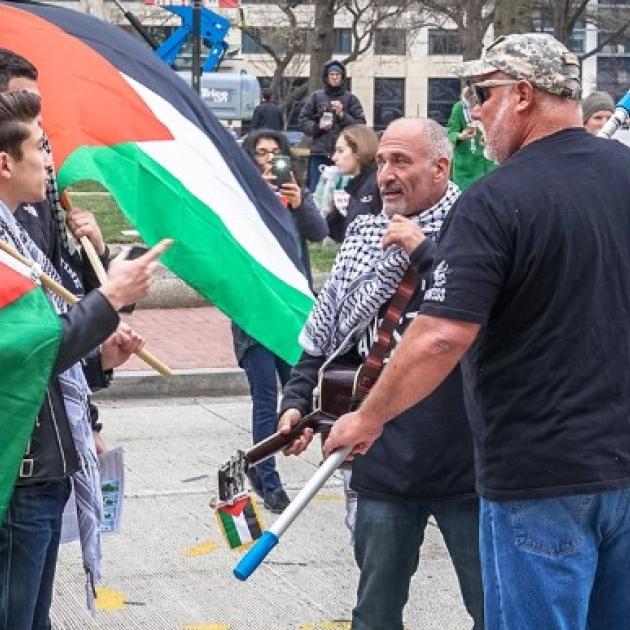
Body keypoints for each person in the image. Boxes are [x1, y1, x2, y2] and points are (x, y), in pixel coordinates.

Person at [325, 33, 630, 630]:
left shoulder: (494, 199)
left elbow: (440, 335)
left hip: (538, 478)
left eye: (481, 95)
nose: (473, 113)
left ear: (522, 94)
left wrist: (370, 416)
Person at [279, 118, 483, 630]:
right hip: (381, 461)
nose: (386, 175)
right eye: (383, 161)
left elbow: (481, 312)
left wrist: (423, 251)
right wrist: (298, 399)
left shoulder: (476, 228)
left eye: (401, 162)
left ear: (441, 167)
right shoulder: (366, 233)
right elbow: (328, 332)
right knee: (374, 611)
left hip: (467, 467)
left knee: (494, 609)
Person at [0, 90, 170, 630]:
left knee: (34, 618)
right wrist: (109, 298)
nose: (52, 162)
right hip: (17, 474)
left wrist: (99, 363)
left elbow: (38, 357)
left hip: (44, 467)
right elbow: (24, 350)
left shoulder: (18, 234)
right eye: (42, 148)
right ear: (4, 162)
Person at [231, 128, 328, 514]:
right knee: (264, 397)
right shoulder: (241, 197)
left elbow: (319, 233)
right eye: (261, 152)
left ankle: (294, 459)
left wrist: (299, 203)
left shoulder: (293, 195)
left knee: (298, 393)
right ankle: (266, 478)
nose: (269, 160)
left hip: (291, 313)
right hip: (254, 313)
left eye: (276, 153)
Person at [298, 60, 366, 191]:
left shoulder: (351, 99)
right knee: (316, 191)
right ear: (326, 77)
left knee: (343, 193)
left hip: (345, 156)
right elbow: (302, 121)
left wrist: (342, 114)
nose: (334, 77)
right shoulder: (316, 97)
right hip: (320, 154)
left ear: (342, 77)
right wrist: (318, 127)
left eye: (337, 74)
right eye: (332, 74)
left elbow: (361, 126)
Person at [326, 124, 381, 243]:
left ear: (358, 151)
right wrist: (334, 211)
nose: (334, 158)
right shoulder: (356, 185)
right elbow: (344, 234)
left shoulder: (375, 185)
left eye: (341, 151)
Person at [446, 85, 495, 189]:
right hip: (466, 167)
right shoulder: (459, 108)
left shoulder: (490, 105)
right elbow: (450, 132)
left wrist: (489, 137)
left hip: (489, 165)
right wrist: (461, 136)